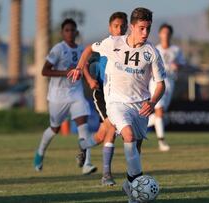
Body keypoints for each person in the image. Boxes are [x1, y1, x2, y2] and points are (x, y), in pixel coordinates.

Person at [68, 8, 165, 203]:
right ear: (132, 27)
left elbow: (161, 84)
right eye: (141, 28)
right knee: (126, 134)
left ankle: (130, 185)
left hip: (140, 106)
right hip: (115, 102)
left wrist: (152, 102)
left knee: (136, 147)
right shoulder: (113, 43)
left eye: (148, 29)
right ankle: (134, 184)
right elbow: (88, 49)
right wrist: (79, 68)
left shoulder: (151, 53)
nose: (145, 33)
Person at [33, 19, 97, 175]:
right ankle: (40, 152)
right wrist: (65, 72)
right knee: (55, 128)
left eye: (72, 30)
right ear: (62, 33)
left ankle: (86, 163)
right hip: (58, 96)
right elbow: (44, 71)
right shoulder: (58, 49)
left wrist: (88, 78)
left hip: (76, 94)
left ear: (76, 32)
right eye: (66, 30)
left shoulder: (82, 50)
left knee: (84, 127)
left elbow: (84, 69)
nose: (70, 33)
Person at [82, 11, 128, 186]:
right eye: (116, 26)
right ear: (110, 28)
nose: (120, 29)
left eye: (123, 26)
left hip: (119, 94)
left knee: (102, 135)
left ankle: (84, 146)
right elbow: (86, 60)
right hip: (101, 93)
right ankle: (106, 174)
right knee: (111, 128)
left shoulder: (130, 46)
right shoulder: (103, 46)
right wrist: (89, 78)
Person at [148, 23, 186, 152]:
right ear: (160, 34)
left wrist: (177, 66)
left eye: (168, 33)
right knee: (159, 111)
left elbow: (182, 64)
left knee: (160, 115)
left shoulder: (176, 50)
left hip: (170, 83)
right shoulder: (155, 49)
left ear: (171, 35)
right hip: (157, 82)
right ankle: (161, 142)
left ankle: (136, 123)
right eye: (163, 32)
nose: (166, 35)